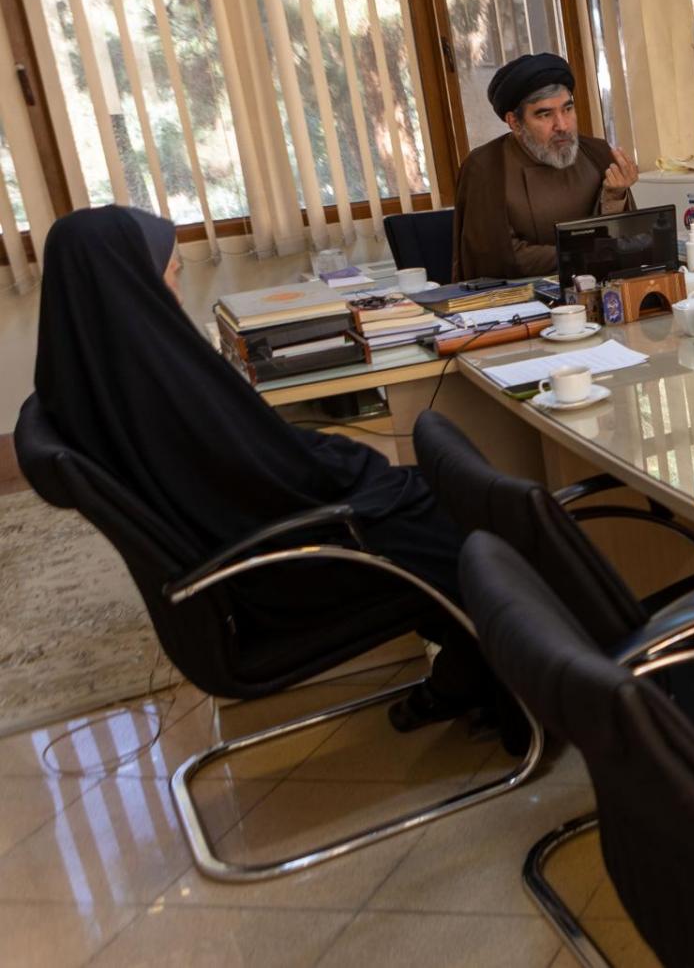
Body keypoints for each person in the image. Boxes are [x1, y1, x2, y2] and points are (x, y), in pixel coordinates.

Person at [29, 206, 518, 745]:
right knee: (461, 516)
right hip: (277, 573)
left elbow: (257, 463)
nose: (176, 293)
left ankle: (465, 674)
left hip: (237, 563)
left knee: (422, 494)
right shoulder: (160, 386)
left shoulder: (94, 379)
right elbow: (275, 476)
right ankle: (518, 697)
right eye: (170, 275)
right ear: (131, 282)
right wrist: (352, 462)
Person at [451, 52, 639, 279]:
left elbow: (629, 243)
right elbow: (497, 258)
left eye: (567, 109)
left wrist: (615, 197)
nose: (562, 125)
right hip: (522, 296)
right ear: (514, 122)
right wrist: (582, 255)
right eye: (545, 114)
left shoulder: (597, 153)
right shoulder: (485, 167)